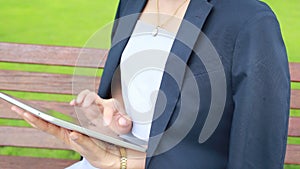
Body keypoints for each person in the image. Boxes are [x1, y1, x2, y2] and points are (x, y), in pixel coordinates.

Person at [12, 0, 290, 168]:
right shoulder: (132, 3)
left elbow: (256, 159)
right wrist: (111, 118)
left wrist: (123, 163)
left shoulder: (250, 21)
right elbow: (138, 112)